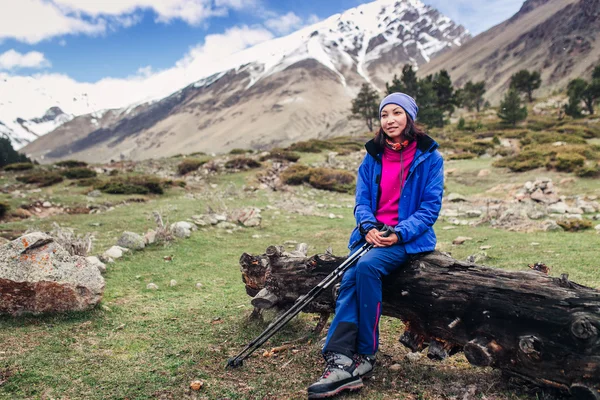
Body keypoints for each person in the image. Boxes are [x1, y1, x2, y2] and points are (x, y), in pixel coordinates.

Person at [307, 92, 444, 399]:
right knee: (352, 275)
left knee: (367, 267)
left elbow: (429, 208)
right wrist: (368, 227)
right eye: (384, 115)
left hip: (406, 238)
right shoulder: (372, 156)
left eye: (397, 113)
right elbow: (362, 202)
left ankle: (365, 354)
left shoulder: (430, 157)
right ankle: (341, 356)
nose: (390, 120)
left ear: (409, 117)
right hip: (371, 236)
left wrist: (398, 233)